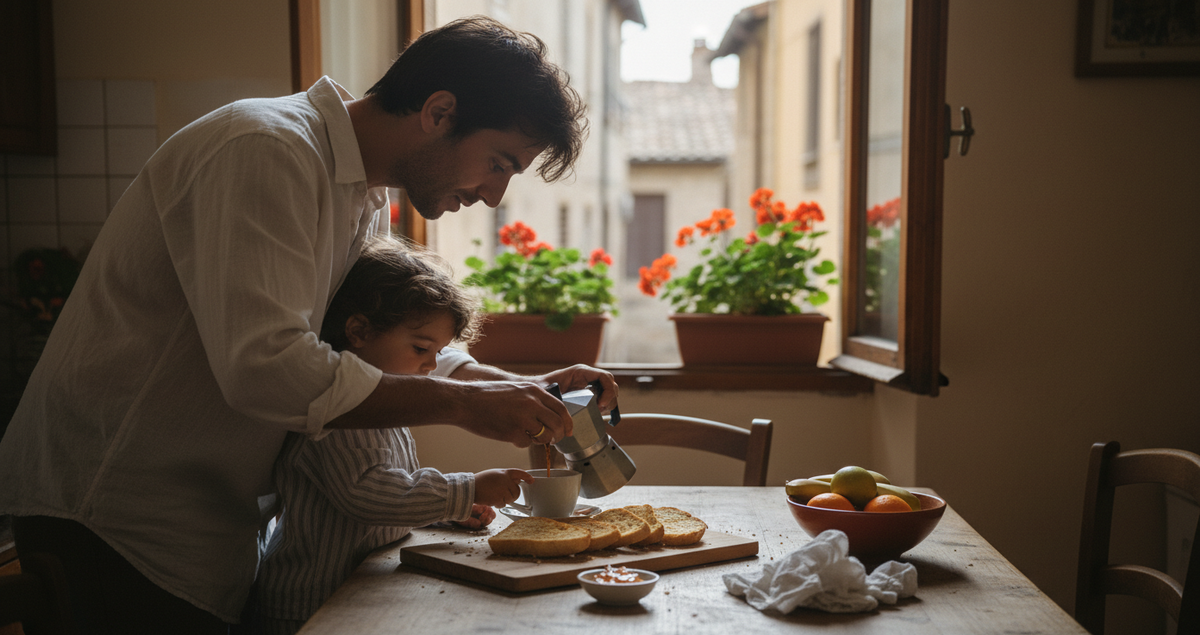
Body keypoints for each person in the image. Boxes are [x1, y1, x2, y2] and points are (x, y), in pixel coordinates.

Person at [0, 16, 614, 634]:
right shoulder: (265, 150)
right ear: (438, 112)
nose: (494, 195)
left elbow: (371, 340)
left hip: (208, 526)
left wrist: (509, 387)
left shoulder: (360, 194)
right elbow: (270, 369)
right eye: (499, 162)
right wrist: (465, 405)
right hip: (111, 516)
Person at [252, 236, 529, 634]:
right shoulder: (341, 409)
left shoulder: (387, 398)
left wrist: (449, 512)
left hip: (358, 589)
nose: (431, 366)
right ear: (359, 331)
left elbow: (392, 498)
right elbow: (370, 494)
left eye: (437, 353)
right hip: (310, 601)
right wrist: (465, 490)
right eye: (421, 348)